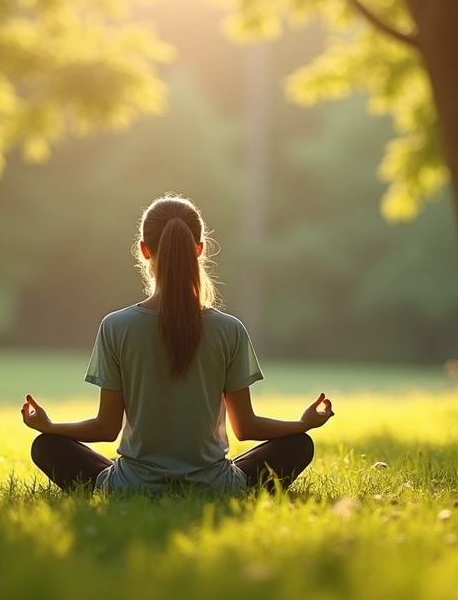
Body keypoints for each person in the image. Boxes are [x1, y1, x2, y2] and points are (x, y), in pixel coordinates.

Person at [21, 195, 334, 493]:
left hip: (131, 486)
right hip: (215, 486)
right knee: (299, 444)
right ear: (199, 249)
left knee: (47, 446)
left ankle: (131, 483)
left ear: (144, 250)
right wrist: (302, 423)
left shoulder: (116, 326)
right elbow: (246, 427)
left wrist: (50, 426)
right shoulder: (230, 330)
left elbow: (105, 428)